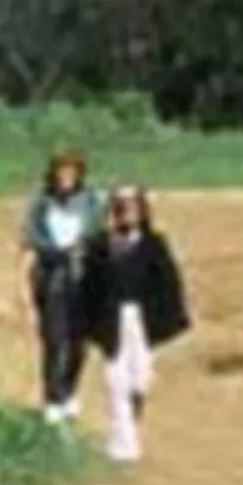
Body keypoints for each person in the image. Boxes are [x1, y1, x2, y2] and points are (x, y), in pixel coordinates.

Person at [78, 184, 190, 464]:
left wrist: (168, 318)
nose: (127, 214)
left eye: (133, 208)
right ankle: (122, 445)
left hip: (141, 319)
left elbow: (169, 283)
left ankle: (131, 417)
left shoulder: (154, 244)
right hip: (111, 319)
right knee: (116, 380)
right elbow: (88, 287)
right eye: (121, 208)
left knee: (139, 379)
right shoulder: (100, 245)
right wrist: (85, 324)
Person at [18, 147, 99, 425]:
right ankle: (52, 397)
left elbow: (98, 233)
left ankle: (69, 390)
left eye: (71, 172)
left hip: (84, 277)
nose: (66, 177)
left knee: (80, 341)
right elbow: (29, 236)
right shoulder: (41, 202)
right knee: (54, 338)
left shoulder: (90, 200)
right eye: (61, 171)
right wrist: (54, 250)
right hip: (50, 274)